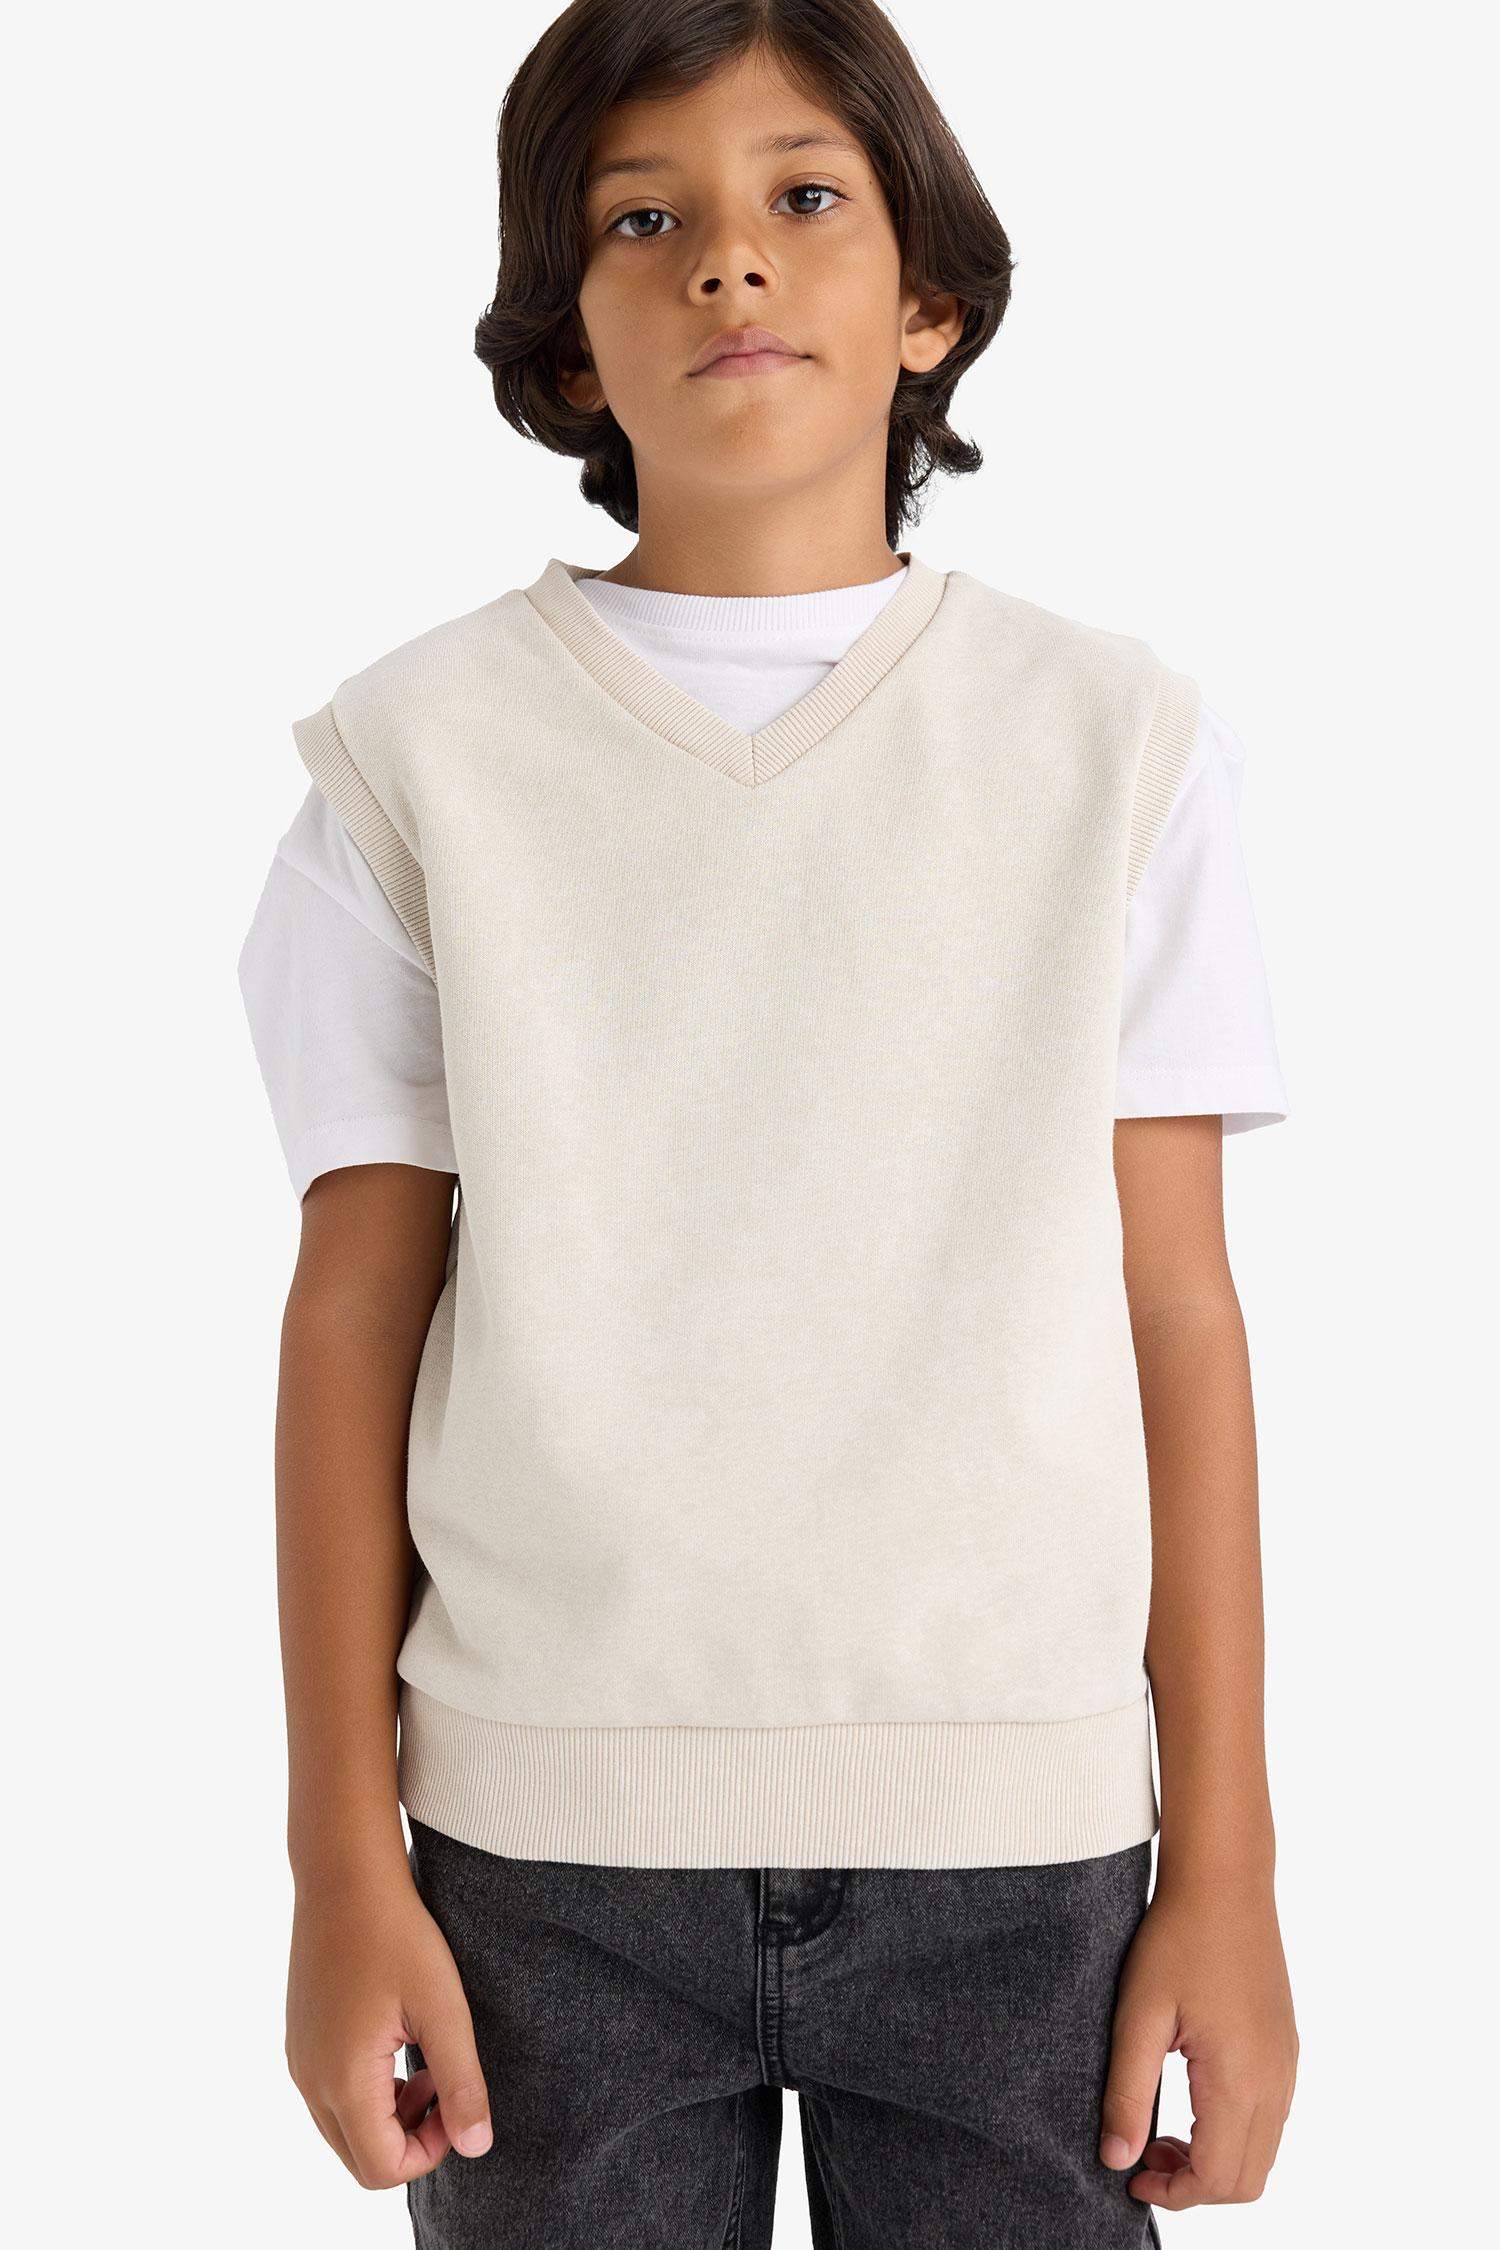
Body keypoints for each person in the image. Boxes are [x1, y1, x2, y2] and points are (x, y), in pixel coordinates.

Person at [237, 2, 1299, 2241]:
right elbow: (350, 1323)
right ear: (566, 347)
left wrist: (1230, 1870)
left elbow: (1179, 1314)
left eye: (804, 197)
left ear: (930, 302)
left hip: (1022, 1849)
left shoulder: (1114, 746)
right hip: (540, 1862)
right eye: (645, 220)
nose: (729, 258)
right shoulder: (414, 765)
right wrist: (341, 1861)